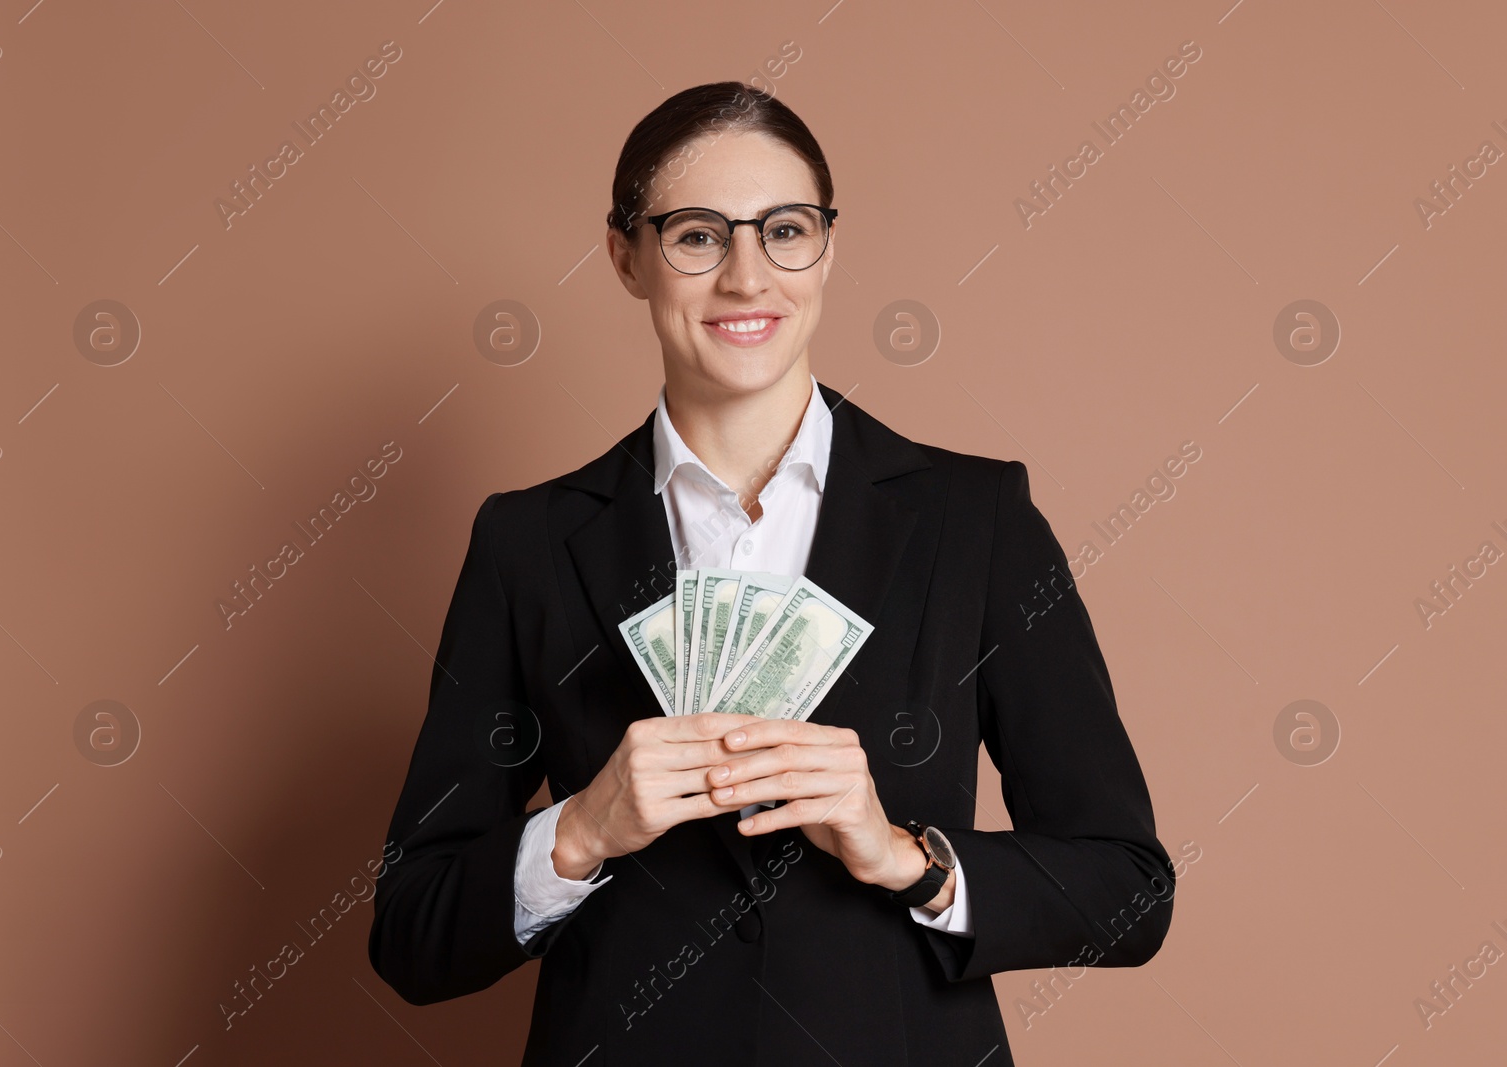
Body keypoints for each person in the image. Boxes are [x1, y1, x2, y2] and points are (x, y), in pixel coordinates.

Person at [369, 81, 1174, 1065]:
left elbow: (1126, 888)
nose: (748, 276)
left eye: (784, 230)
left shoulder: (976, 520)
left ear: (827, 250)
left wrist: (905, 858)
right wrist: (579, 829)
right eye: (698, 235)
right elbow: (411, 934)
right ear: (625, 255)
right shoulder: (528, 543)